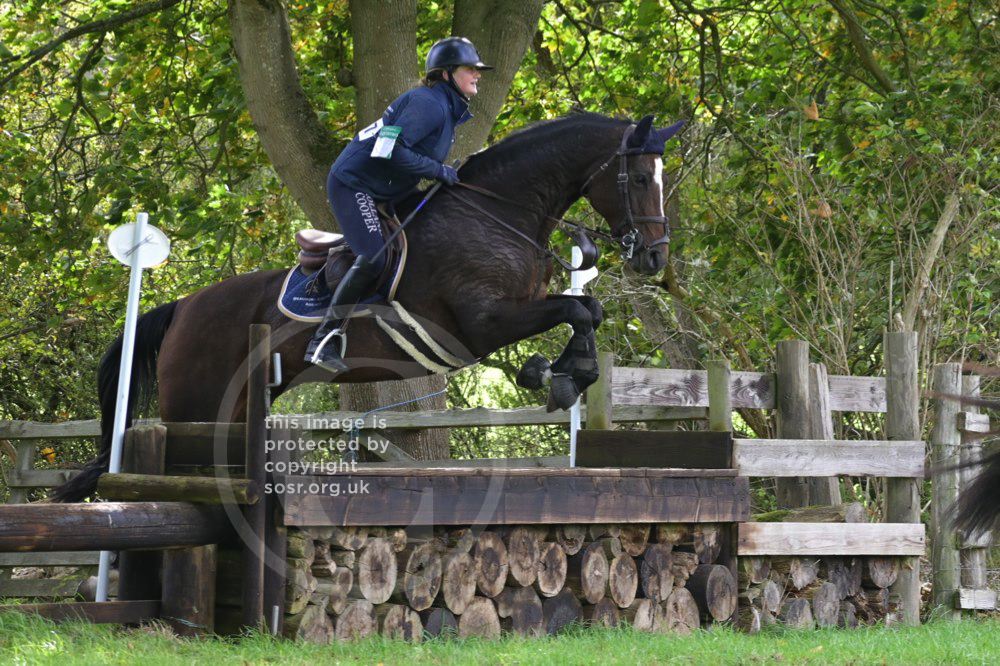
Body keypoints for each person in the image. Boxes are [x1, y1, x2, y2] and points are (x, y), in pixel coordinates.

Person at [307, 37, 492, 372]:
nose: (477, 74)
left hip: (388, 187)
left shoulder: (445, 107)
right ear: (446, 73)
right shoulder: (429, 103)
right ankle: (324, 339)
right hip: (355, 185)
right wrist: (437, 170)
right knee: (375, 255)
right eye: (470, 69)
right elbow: (386, 149)